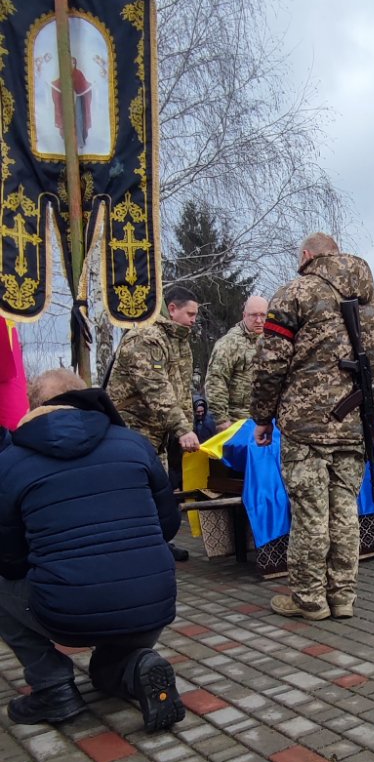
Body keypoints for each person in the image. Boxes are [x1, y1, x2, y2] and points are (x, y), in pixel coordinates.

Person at [0, 370, 184, 730]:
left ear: (34, 407)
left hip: (66, 611)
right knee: (107, 671)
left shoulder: (9, 463)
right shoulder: (135, 444)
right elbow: (168, 526)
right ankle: (133, 668)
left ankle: (53, 688)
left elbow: (9, 557)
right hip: (150, 602)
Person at [250, 232, 374, 619]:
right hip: (352, 427)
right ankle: (343, 597)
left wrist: (262, 416)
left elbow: (271, 364)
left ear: (308, 255)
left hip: (305, 428)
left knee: (311, 512)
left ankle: (310, 599)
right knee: (345, 511)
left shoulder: (295, 293)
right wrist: (366, 408)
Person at [106, 283, 200, 559]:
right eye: (190, 313)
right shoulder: (146, 338)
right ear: (172, 309)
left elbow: (181, 389)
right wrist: (182, 428)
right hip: (133, 430)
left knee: (159, 490)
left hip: (158, 433)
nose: (194, 319)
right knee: (137, 490)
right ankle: (134, 548)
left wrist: (187, 427)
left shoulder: (178, 340)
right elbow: (155, 387)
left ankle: (157, 543)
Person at [204, 294, 269, 429]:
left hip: (266, 423)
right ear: (244, 315)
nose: (258, 320)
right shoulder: (229, 344)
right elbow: (216, 381)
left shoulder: (273, 342)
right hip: (236, 422)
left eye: (263, 315)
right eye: (253, 315)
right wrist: (221, 419)